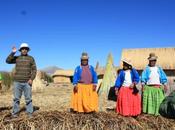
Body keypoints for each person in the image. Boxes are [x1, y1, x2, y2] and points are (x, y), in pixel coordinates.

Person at [6, 43, 37, 117]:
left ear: (27, 50)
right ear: (20, 50)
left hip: (27, 82)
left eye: (26, 49)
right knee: (16, 99)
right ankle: (15, 113)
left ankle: (29, 113)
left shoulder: (31, 58)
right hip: (17, 82)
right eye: (23, 49)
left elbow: (34, 69)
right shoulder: (17, 58)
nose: (24, 50)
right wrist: (13, 52)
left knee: (28, 99)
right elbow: (7, 61)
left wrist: (31, 79)